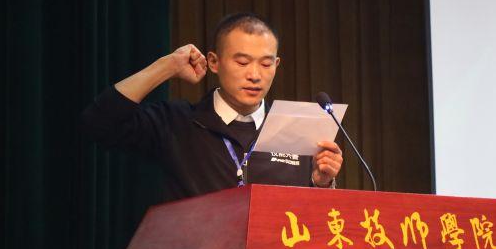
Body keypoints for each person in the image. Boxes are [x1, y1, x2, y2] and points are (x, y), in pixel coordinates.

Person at [81, 13, 343, 201]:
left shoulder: (295, 127)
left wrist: (320, 183)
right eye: (242, 63)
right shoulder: (177, 122)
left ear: (276, 65)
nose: (254, 75)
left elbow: (311, 224)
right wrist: (167, 66)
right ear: (214, 62)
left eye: (265, 64)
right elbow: (97, 122)